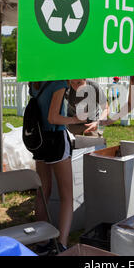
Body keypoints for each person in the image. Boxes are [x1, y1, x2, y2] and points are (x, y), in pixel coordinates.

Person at [28, 81, 83, 255]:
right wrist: (75, 119)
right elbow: (53, 117)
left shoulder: (35, 82)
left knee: (43, 192)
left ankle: (42, 241)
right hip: (56, 141)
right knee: (67, 197)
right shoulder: (59, 83)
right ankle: (62, 243)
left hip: (39, 141)